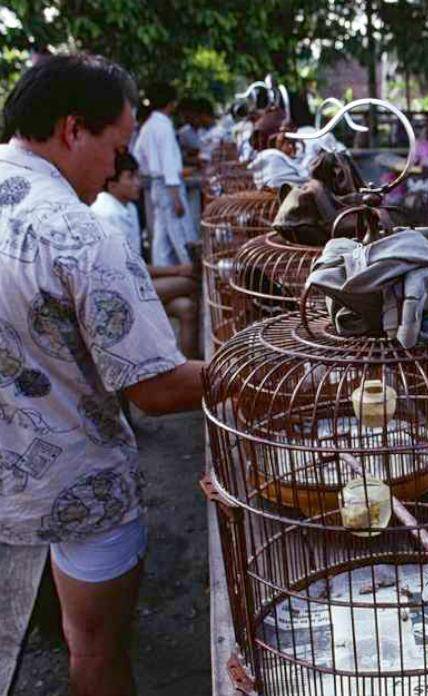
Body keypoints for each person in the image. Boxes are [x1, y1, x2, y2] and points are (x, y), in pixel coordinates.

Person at [0, 53, 205, 695]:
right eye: (117, 149)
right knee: (93, 650)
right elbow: (155, 388)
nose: (118, 168)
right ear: (72, 130)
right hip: (76, 485)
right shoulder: (79, 233)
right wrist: (255, 366)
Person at [91, 151, 200, 358]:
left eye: (138, 176)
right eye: (130, 177)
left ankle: (191, 370)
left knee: (187, 308)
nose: (138, 183)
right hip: (119, 290)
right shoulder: (107, 212)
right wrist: (178, 269)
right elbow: (130, 267)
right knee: (194, 281)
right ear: (112, 185)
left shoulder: (128, 208)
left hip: (133, 281)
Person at [132, 81, 196, 267]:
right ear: (171, 103)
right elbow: (169, 163)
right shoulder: (164, 127)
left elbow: (138, 157)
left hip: (156, 184)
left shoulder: (148, 126)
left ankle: (163, 271)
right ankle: (191, 271)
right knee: (181, 235)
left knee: (162, 239)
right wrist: (175, 196)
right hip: (169, 187)